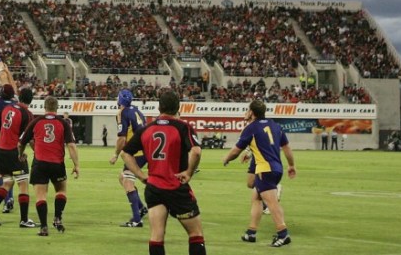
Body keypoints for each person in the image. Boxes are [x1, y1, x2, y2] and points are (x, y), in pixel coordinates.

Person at [121, 90, 206, 255]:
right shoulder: (183, 127)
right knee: (195, 234)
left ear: (159, 107)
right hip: (176, 187)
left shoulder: (147, 129)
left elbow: (125, 153)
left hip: (154, 188)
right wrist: (188, 172)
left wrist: (140, 175)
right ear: (178, 108)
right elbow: (196, 151)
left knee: (157, 235)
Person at [222, 99, 297, 247]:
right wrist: (291, 165)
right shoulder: (275, 126)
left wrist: (227, 158)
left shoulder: (251, 128)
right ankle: (251, 232)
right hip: (276, 168)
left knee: (271, 202)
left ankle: (283, 234)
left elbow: (236, 150)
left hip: (265, 169)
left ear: (252, 112)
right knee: (256, 197)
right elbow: (286, 147)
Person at [19, 95, 80, 237]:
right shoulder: (63, 123)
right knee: (61, 191)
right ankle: (58, 218)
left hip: (40, 163)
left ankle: (44, 227)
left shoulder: (36, 121)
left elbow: (22, 142)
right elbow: (71, 145)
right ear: (57, 108)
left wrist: (20, 154)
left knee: (41, 196)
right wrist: (76, 165)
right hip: (57, 163)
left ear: (44, 107)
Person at [0, 85, 36, 228]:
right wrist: (30, 153)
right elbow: (29, 139)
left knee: (7, 182)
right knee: (23, 183)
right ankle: (24, 219)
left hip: (0, 151)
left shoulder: (7, 108)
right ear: (31, 100)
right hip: (13, 152)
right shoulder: (27, 114)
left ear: (19, 97)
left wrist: (1, 141)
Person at [109, 89, 149, 228]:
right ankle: (141, 208)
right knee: (123, 177)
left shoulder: (122, 113)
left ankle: (136, 219)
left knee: (127, 182)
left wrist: (115, 154)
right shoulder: (138, 111)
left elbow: (122, 137)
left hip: (135, 152)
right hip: (144, 150)